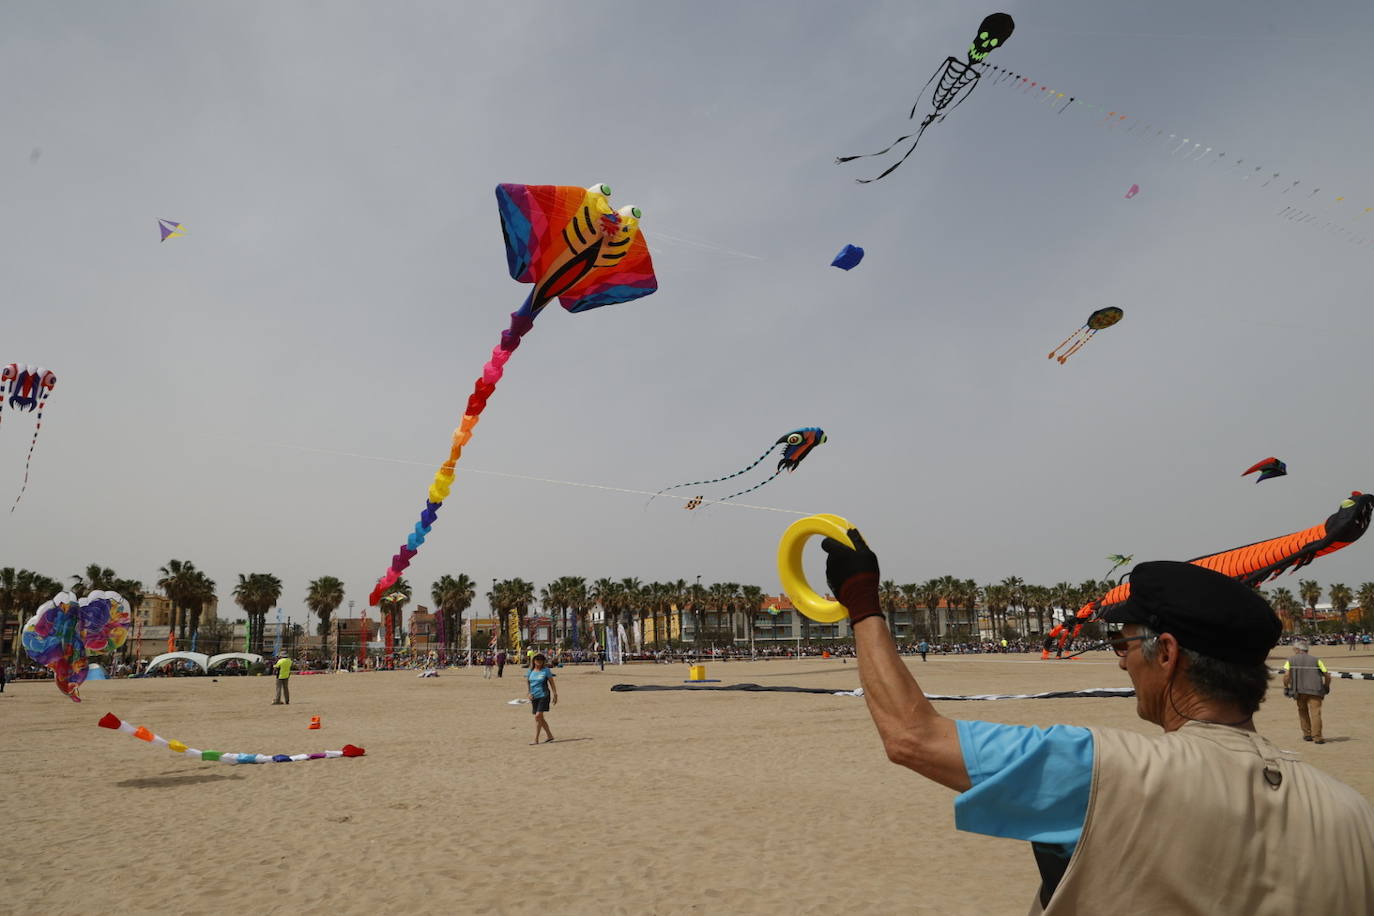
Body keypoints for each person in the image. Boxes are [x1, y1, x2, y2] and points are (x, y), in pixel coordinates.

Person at [821, 530, 1374, 913]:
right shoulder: (1354, 815)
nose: (1118, 656)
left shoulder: (1108, 771)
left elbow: (912, 737)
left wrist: (862, 601)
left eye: (1122, 640)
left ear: (1166, 652)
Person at [1282, 638, 1331, 744]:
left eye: (1294, 649)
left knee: (1302, 712)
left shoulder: (1290, 660)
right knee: (1316, 713)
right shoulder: (1316, 660)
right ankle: (1317, 737)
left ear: (1297, 649)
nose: (1294, 651)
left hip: (1299, 690)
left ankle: (1307, 734)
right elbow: (1327, 675)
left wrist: (1286, 687)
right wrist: (1326, 686)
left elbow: (1286, 675)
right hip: (1315, 690)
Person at [526, 653, 558, 744]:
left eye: (541, 659)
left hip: (544, 695)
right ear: (533, 660)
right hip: (534, 696)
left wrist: (555, 694)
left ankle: (536, 739)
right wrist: (529, 693)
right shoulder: (530, 671)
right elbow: (528, 682)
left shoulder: (546, 670)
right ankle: (550, 736)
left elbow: (552, 683)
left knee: (537, 716)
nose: (539, 661)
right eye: (537, 659)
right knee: (540, 718)